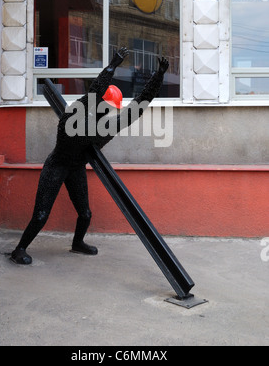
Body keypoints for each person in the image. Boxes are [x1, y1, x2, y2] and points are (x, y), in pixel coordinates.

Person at [11, 47, 169, 264]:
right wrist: (112, 66)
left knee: (85, 214)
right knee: (40, 216)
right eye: (106, 105)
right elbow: (95, 92)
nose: (108, 110)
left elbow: (138, 106)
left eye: (111, 108)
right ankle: (19, 249)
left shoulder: (109, 126)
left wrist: (158, 77)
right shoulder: (74, 116)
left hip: (76, 168)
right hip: (57, 165)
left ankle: (77, 243)